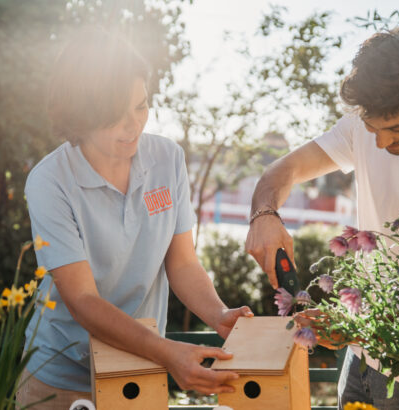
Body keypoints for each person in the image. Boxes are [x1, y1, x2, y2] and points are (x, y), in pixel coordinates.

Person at [245, 24, 399, 409]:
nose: (380, 142)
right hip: (359, 360)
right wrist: (264, 214)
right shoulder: (366, 125)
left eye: (396, 128)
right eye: (370, 127)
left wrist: (351, 326)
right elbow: (283, 171)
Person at [16, 28, 253, 409]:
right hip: (61, 379)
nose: (133, 126)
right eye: (115, 115)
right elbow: (82, 300)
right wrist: (167, 353)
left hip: (139, 371)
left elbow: (183, 263)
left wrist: (219, 313)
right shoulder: (49, 182)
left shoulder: (167, 160)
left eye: (141, 106)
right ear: (80, 115)